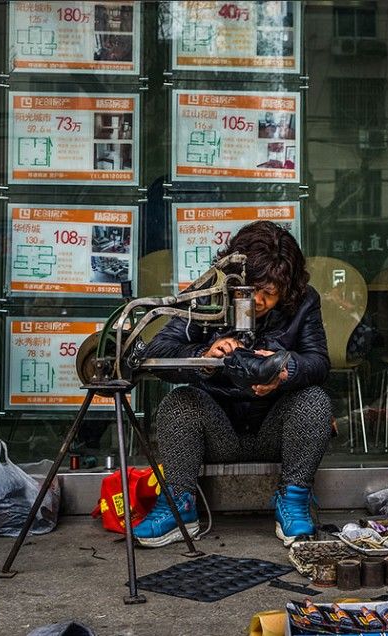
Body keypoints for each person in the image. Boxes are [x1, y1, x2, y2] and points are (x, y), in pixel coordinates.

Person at [134, 221, 333, 548]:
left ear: (287, 288)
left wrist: (286, 369)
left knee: (314, 400)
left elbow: (319, 362)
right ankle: (180, 505)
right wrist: (205, 357)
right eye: (250, 290)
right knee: (178, 404)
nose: (257, 300)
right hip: (218, 430)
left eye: (269, 293)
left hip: (275, 430)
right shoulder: (207, 293)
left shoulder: (304, 301)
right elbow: (160, 351)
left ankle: (294, 499)